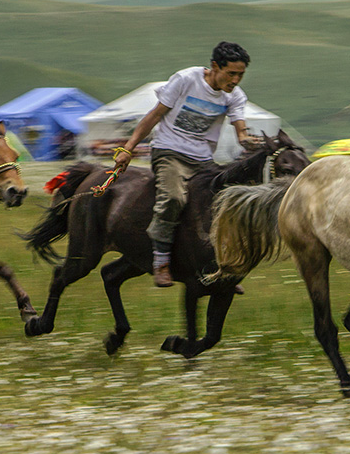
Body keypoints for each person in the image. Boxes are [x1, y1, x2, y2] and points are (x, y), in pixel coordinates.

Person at [112, 42, 262, 287]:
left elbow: (241, 132)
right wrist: (128, 149)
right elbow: (154, 115)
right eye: (231, 73)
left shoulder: (235, 96)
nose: (235, 80)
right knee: (173, 198)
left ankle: (224, 265)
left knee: (227, 202)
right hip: (169, 152)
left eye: (240, 75)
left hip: (203, 160)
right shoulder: (185, 79)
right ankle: (161, 261)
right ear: (215, 66)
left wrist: (248, 141)